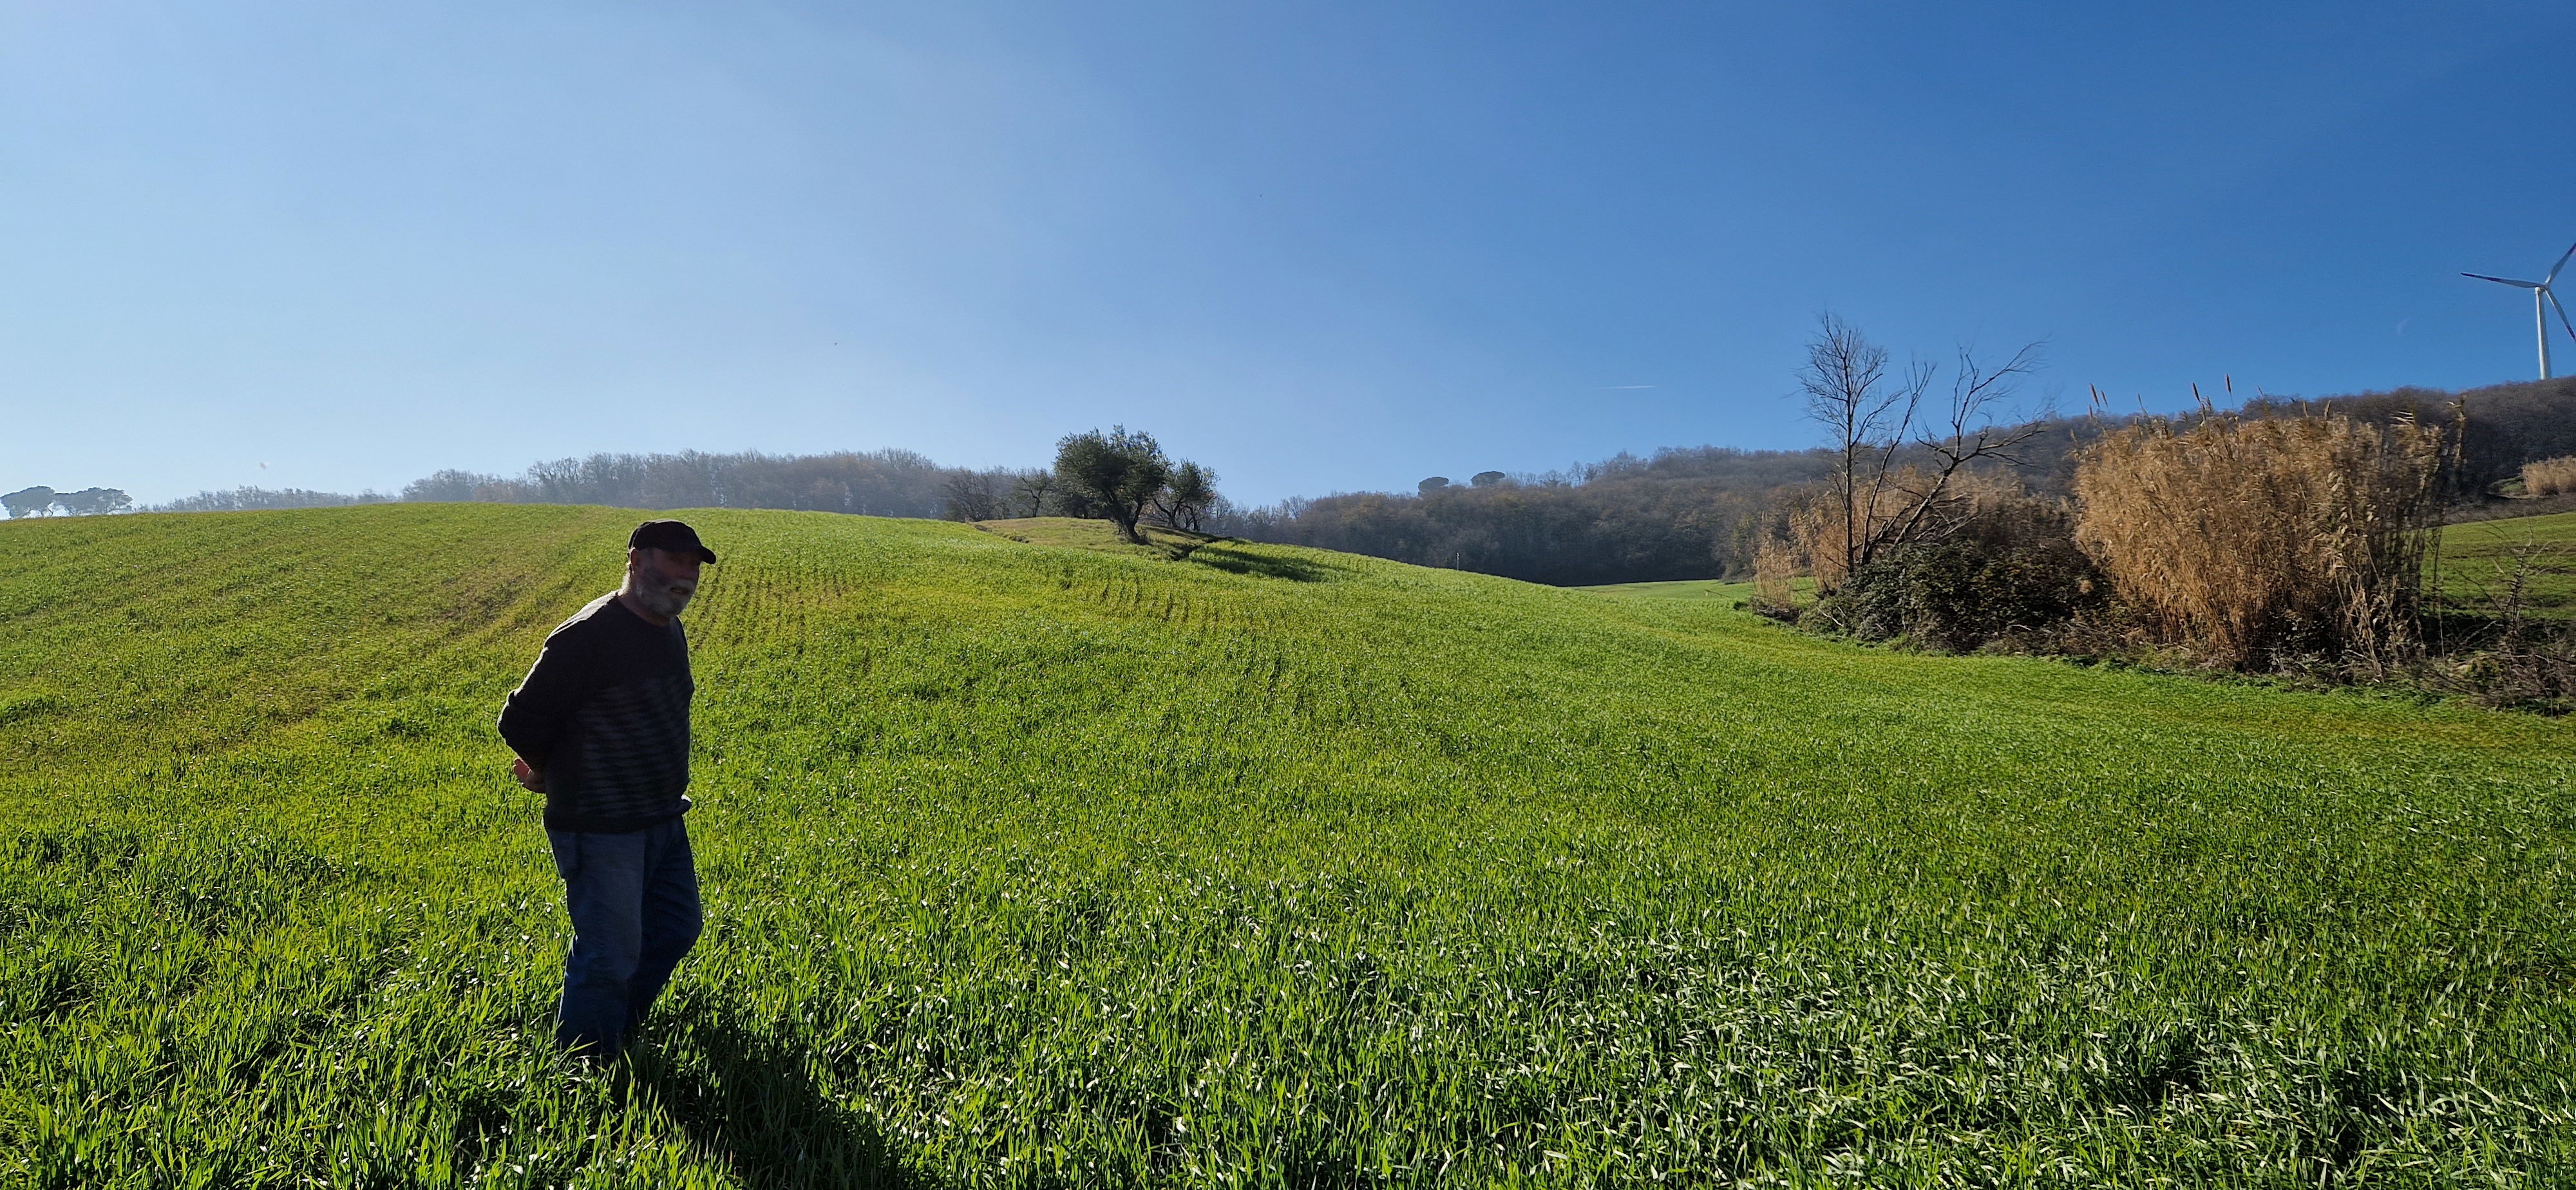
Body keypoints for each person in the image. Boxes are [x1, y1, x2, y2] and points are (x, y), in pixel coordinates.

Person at [498, 520, 717, 1057]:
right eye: (674, 562)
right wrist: (549, 772)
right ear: (637, 560)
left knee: (676, 927)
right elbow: (521, 720)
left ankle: (617, 1025)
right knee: (609, 952)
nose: (685, 577)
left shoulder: (668, 629)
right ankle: (585, 1067)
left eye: (694, 567)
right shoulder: (589, 635)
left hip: (662, 817)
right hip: (601, 826)